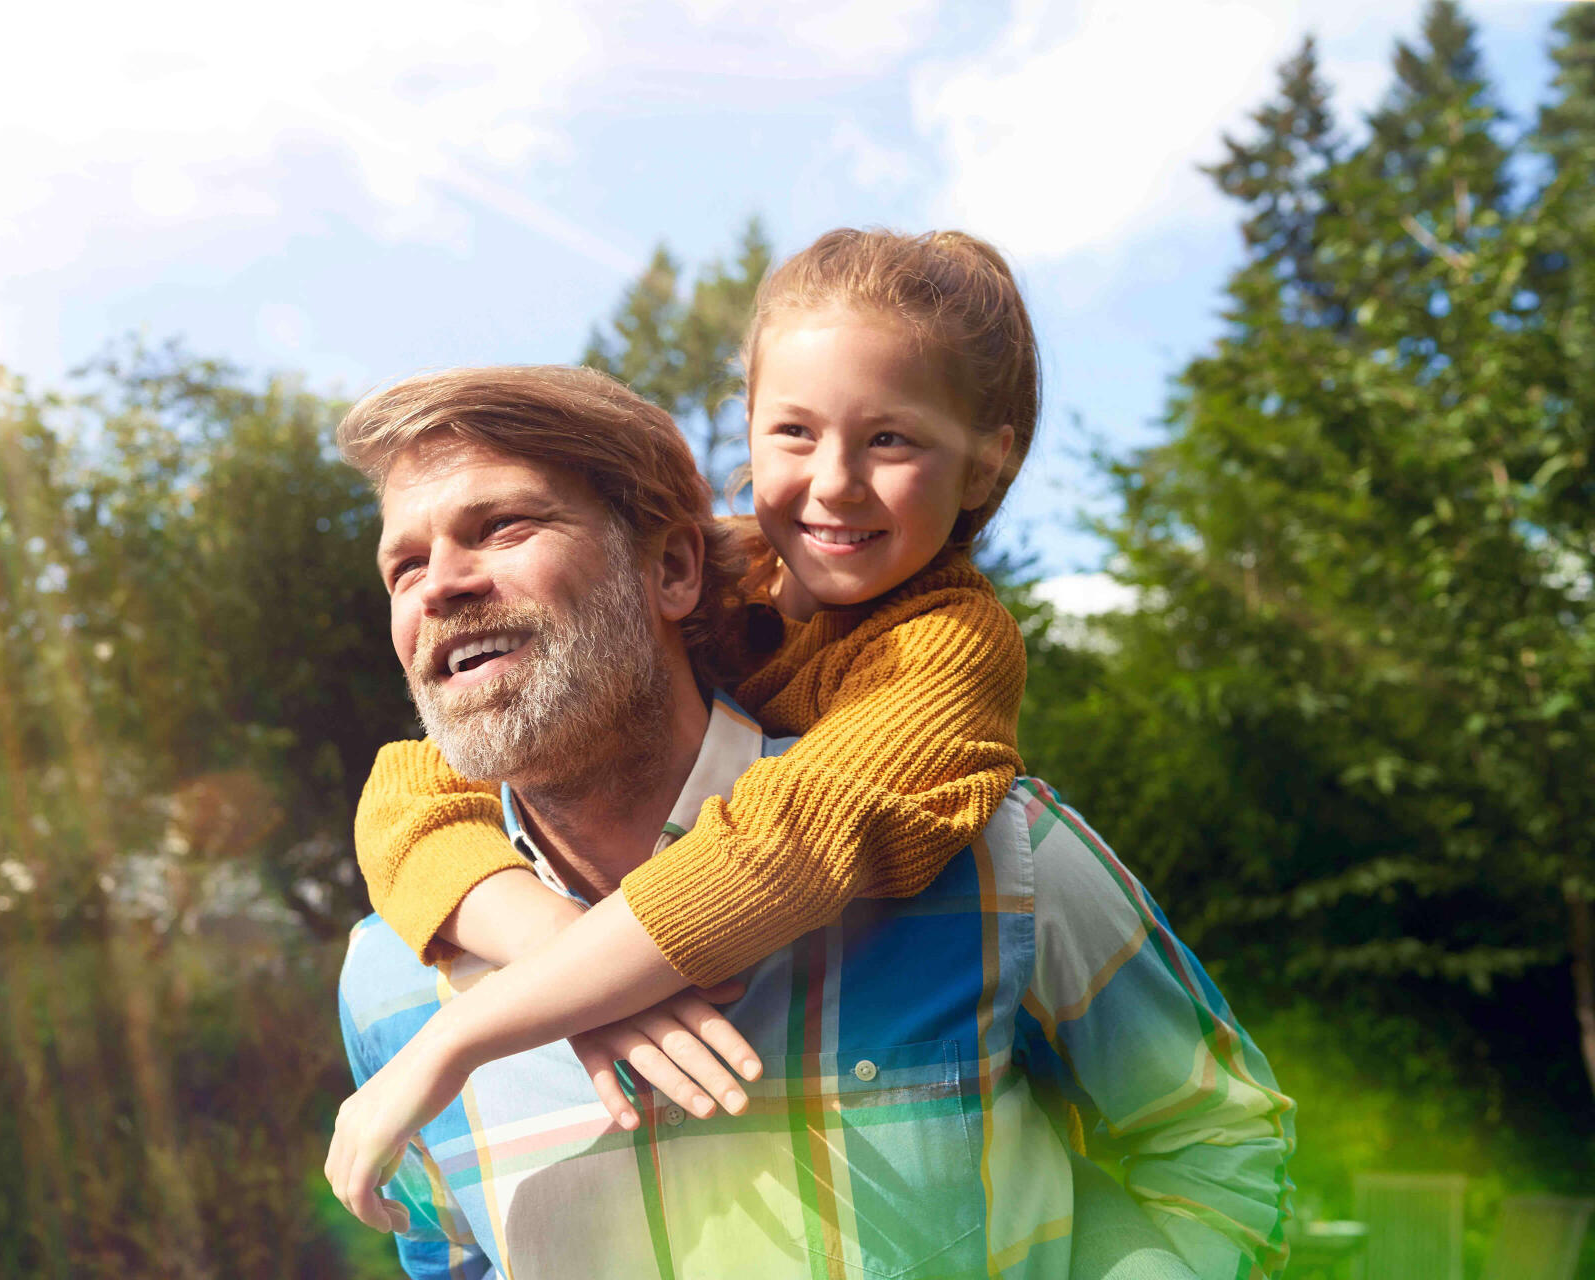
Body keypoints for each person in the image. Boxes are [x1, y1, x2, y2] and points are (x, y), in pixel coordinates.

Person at [325, 364, 1294, 1279]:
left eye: (499, 525)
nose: (440, 584)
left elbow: (1222, 1150)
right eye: (403, 565)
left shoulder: (995, 854)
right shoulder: (389, 981)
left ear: (672, 567)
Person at [353, 230, 1037, 1132]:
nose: (833, 484)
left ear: (987, 461)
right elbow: (408, 789)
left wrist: (464, 1034)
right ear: (749, 424)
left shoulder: (946, 647)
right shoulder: (705, 576)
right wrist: (561, 961)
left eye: (890, 440)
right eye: (794, 431)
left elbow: (785, 844)